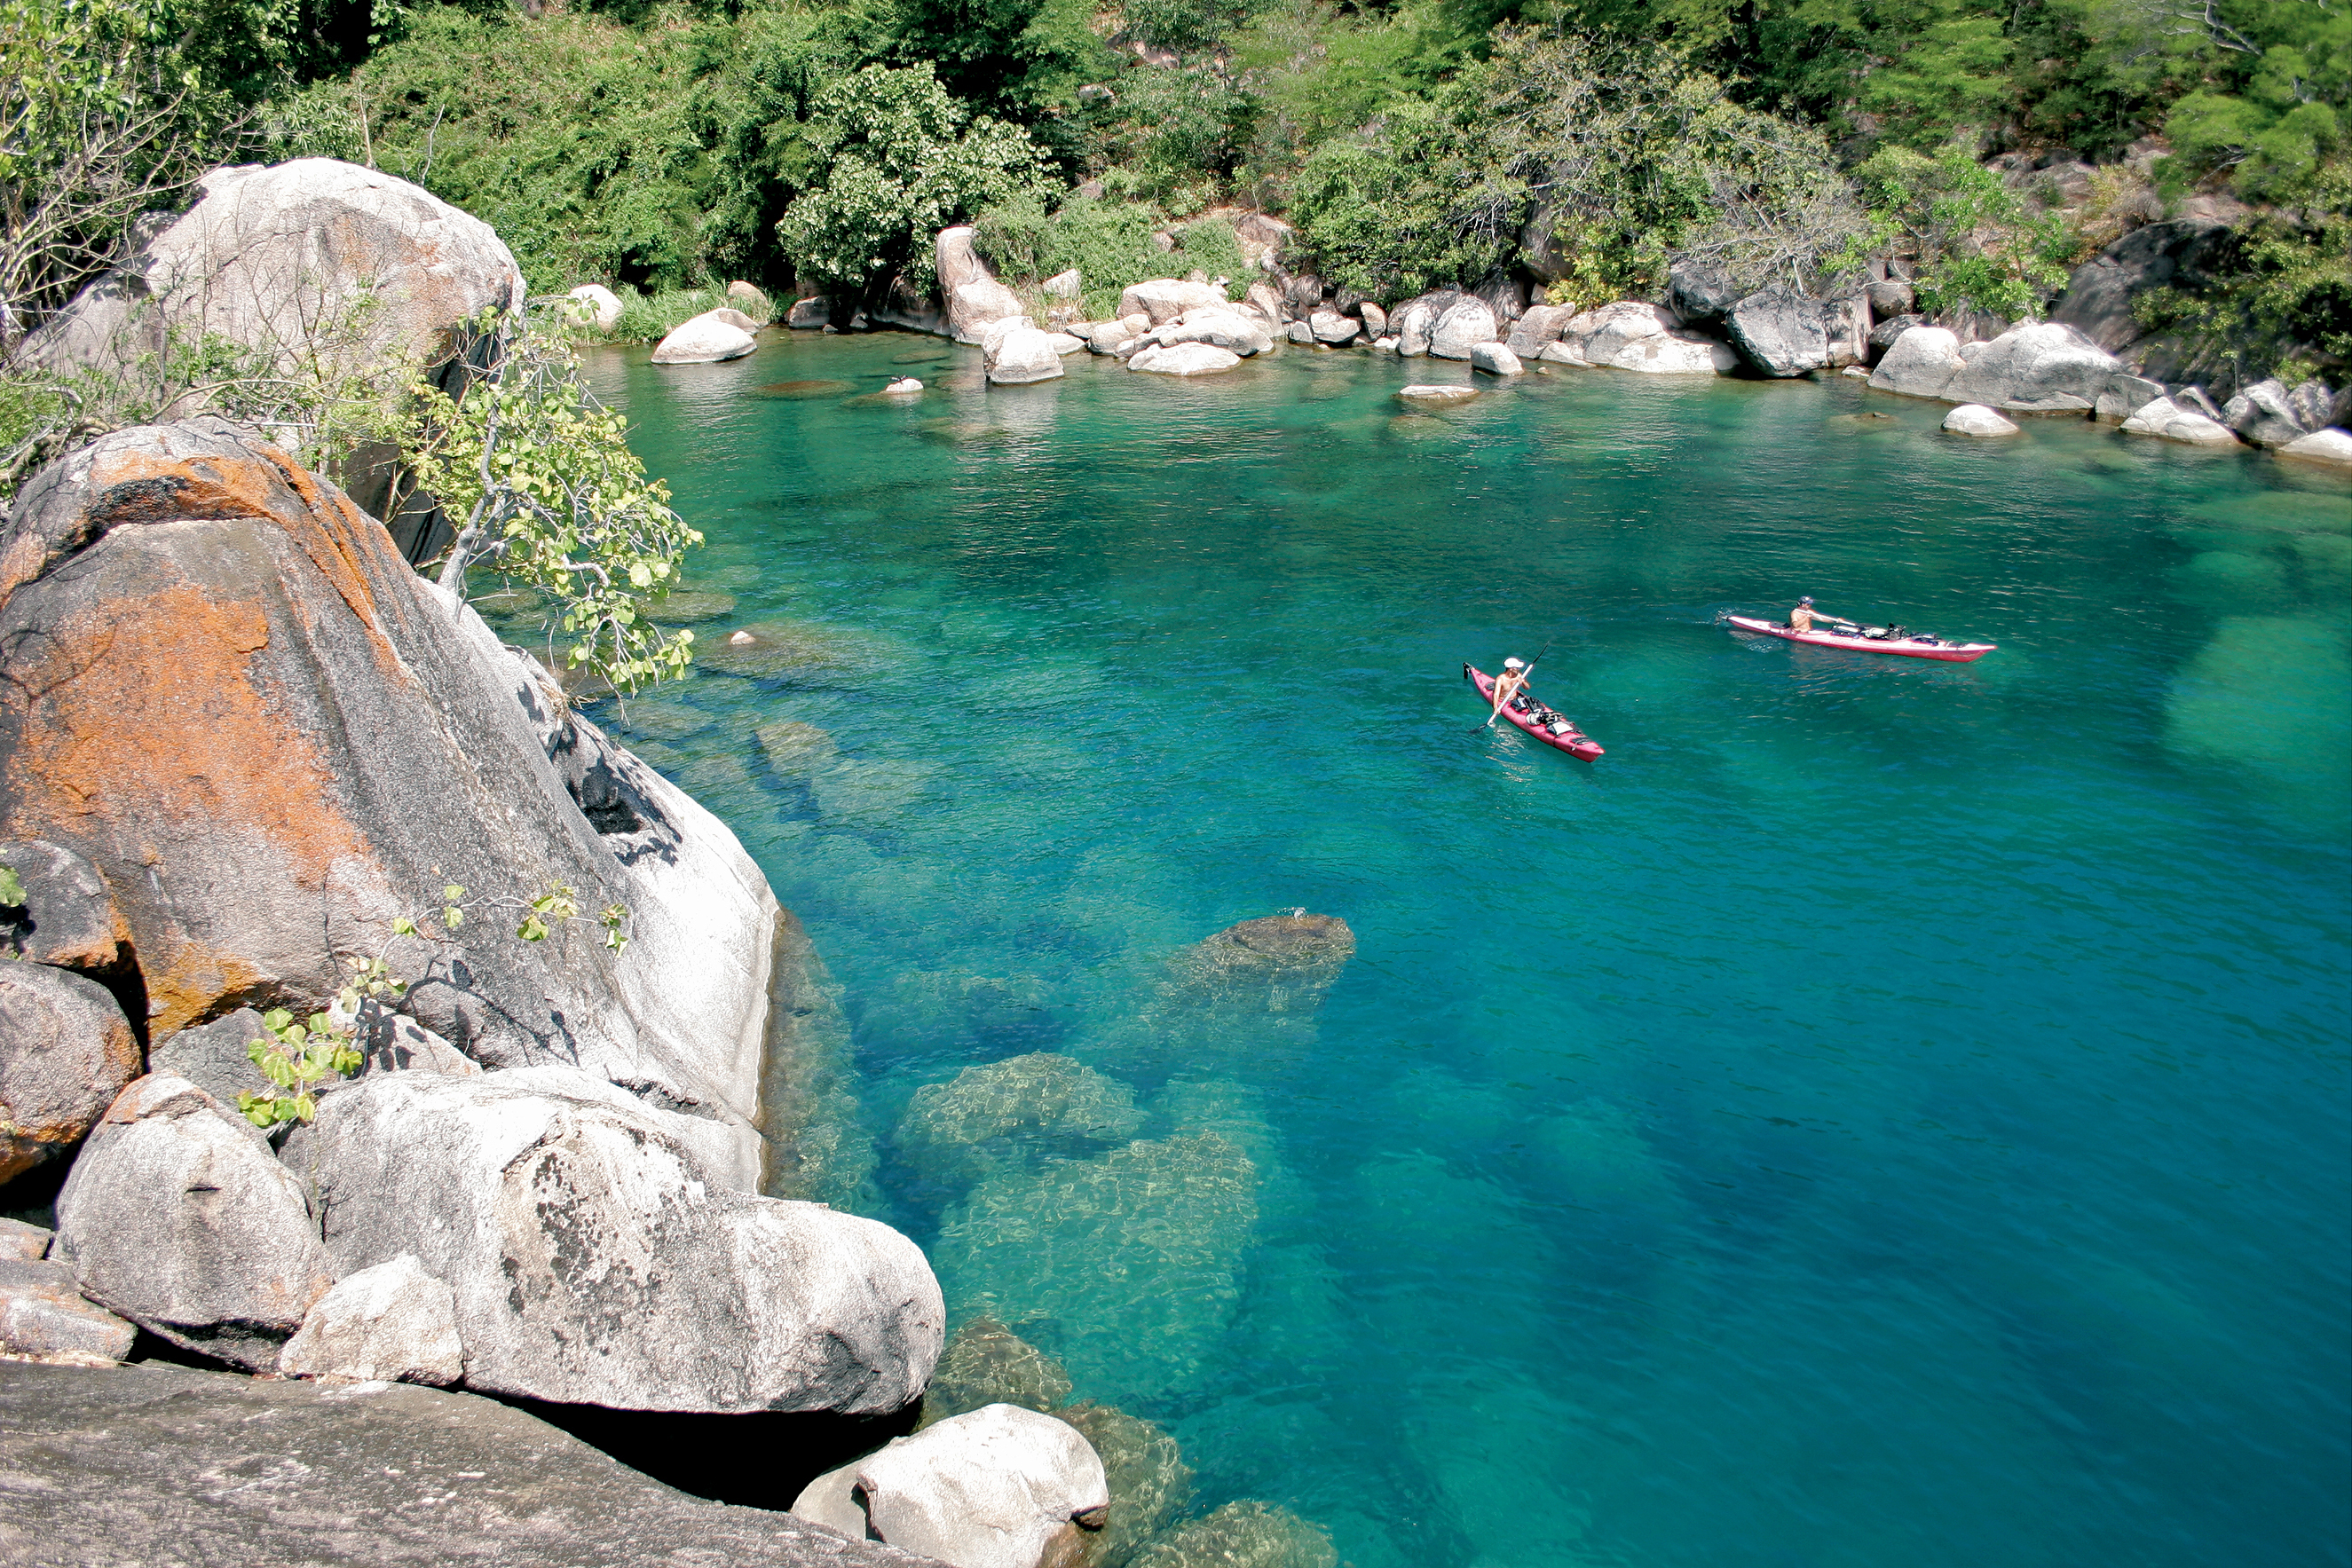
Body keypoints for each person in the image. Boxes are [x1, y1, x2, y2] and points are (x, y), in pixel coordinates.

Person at [1488, 657, 1531, 721]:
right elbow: (1496, 694)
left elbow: (1527, 688)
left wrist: (1523, 682)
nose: (1518, 669)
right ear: (1511, 669)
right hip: (1503, 701)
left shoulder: (1519, 675)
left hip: (1515, 699)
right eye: (1517, 668)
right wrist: (1495, 708)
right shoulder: (1501, 679)